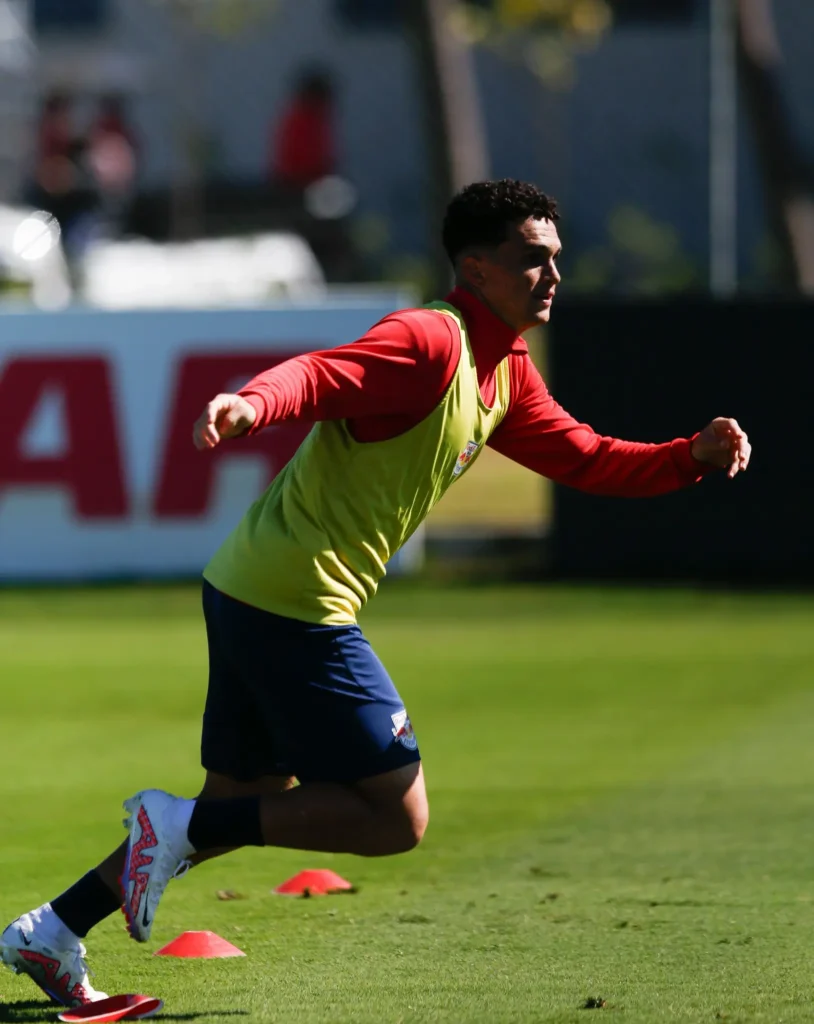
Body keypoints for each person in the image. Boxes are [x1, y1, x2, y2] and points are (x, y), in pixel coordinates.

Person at [1, 179, 751, 1007]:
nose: (552, 276)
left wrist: (689, 457)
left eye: (556, 261)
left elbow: (587, 458)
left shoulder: (505, 371)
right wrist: (252, 403)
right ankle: (166, 828)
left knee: (239, 806)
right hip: (298, 602)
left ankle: (55, 929)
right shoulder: (431, 339)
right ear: (477, 267)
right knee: (396, 819)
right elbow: (320, 375)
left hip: (252, 587)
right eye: (531, 260)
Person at [269, 67, 337, 190]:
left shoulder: (315, 120)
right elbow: (303, 163)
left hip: (304, 182)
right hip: (295, 184)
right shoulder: (303, 119)